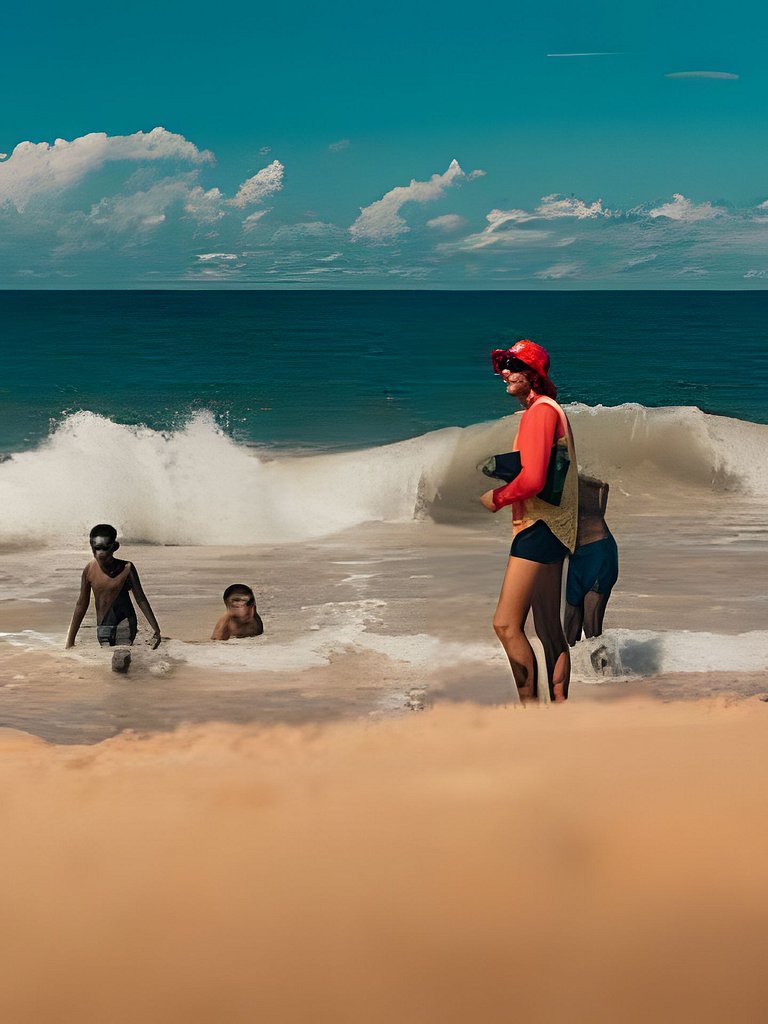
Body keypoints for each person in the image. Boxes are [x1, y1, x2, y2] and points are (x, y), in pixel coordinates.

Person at [480, 340, 578, 703]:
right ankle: (559, 712)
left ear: (531, 373)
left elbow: (534, 479)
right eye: (501, 363)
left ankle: (531, 716)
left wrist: (497, 498)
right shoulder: (551, 409)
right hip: (557, 528)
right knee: (549, 629)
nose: (502, 371)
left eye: (510, 364)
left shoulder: (540, 412)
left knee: (505, 625)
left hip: (539, 528)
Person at [65, 524, 162, 665]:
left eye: (105, 548)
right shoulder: (89, 570)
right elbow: (81, 604)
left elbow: (140, 599)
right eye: (96, 548)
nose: (100, 553)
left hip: (126, 621)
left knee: (121, 659)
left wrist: (156, 629)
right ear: (91, 546)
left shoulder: (127, 568)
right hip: (103, 624)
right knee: (108, 660)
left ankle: (132, 683)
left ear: (115, 547)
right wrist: (70, 640)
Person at [564, 474, 619, 645]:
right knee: (568, 631)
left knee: (592, 629)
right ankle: (574, 672)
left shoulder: (592, 477)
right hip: (573, 556)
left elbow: (598, 504)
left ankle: (605, 672)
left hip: (598, 552)